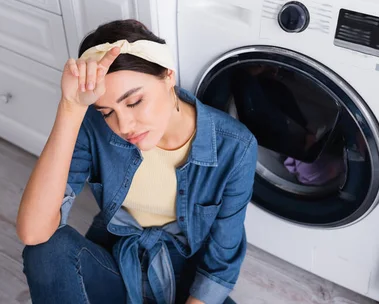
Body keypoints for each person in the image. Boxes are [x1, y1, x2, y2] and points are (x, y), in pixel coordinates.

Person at [16, 20, 257, 304]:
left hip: (185, 281)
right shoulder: (93, 126)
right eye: (107, 112)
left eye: (133, 102)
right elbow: (34, 232)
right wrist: (72, 108)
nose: (124, 124)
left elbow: (221, 264)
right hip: (118, 263)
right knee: (46, 252)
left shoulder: (235, 146)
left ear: (168, 77)